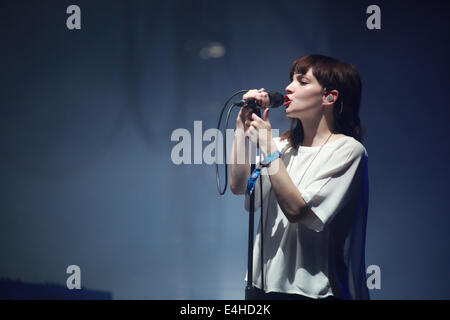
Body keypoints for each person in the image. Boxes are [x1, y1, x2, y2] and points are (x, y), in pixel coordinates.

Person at [230, 54, 370, 300]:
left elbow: (297, 211)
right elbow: (240, 186)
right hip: (261, 285)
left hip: (312, 291)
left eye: (302, 81)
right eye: (291, 79)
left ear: (329, 97)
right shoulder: (281, 146)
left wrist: (269, 150)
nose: (288, 87)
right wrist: (242, 127)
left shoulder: (348, 151)